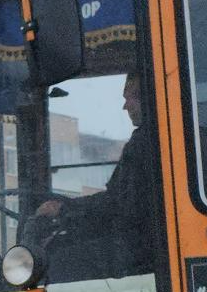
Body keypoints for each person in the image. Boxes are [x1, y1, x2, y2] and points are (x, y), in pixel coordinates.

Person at [32, 73, 157, 274]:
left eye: (131, 98)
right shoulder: (150, 138)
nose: (125, 107)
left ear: (150, 98)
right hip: (141, 241)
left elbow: (118, 205)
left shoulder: (145, 142)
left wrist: (64, 210)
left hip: (140, 248)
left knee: (57, 260)